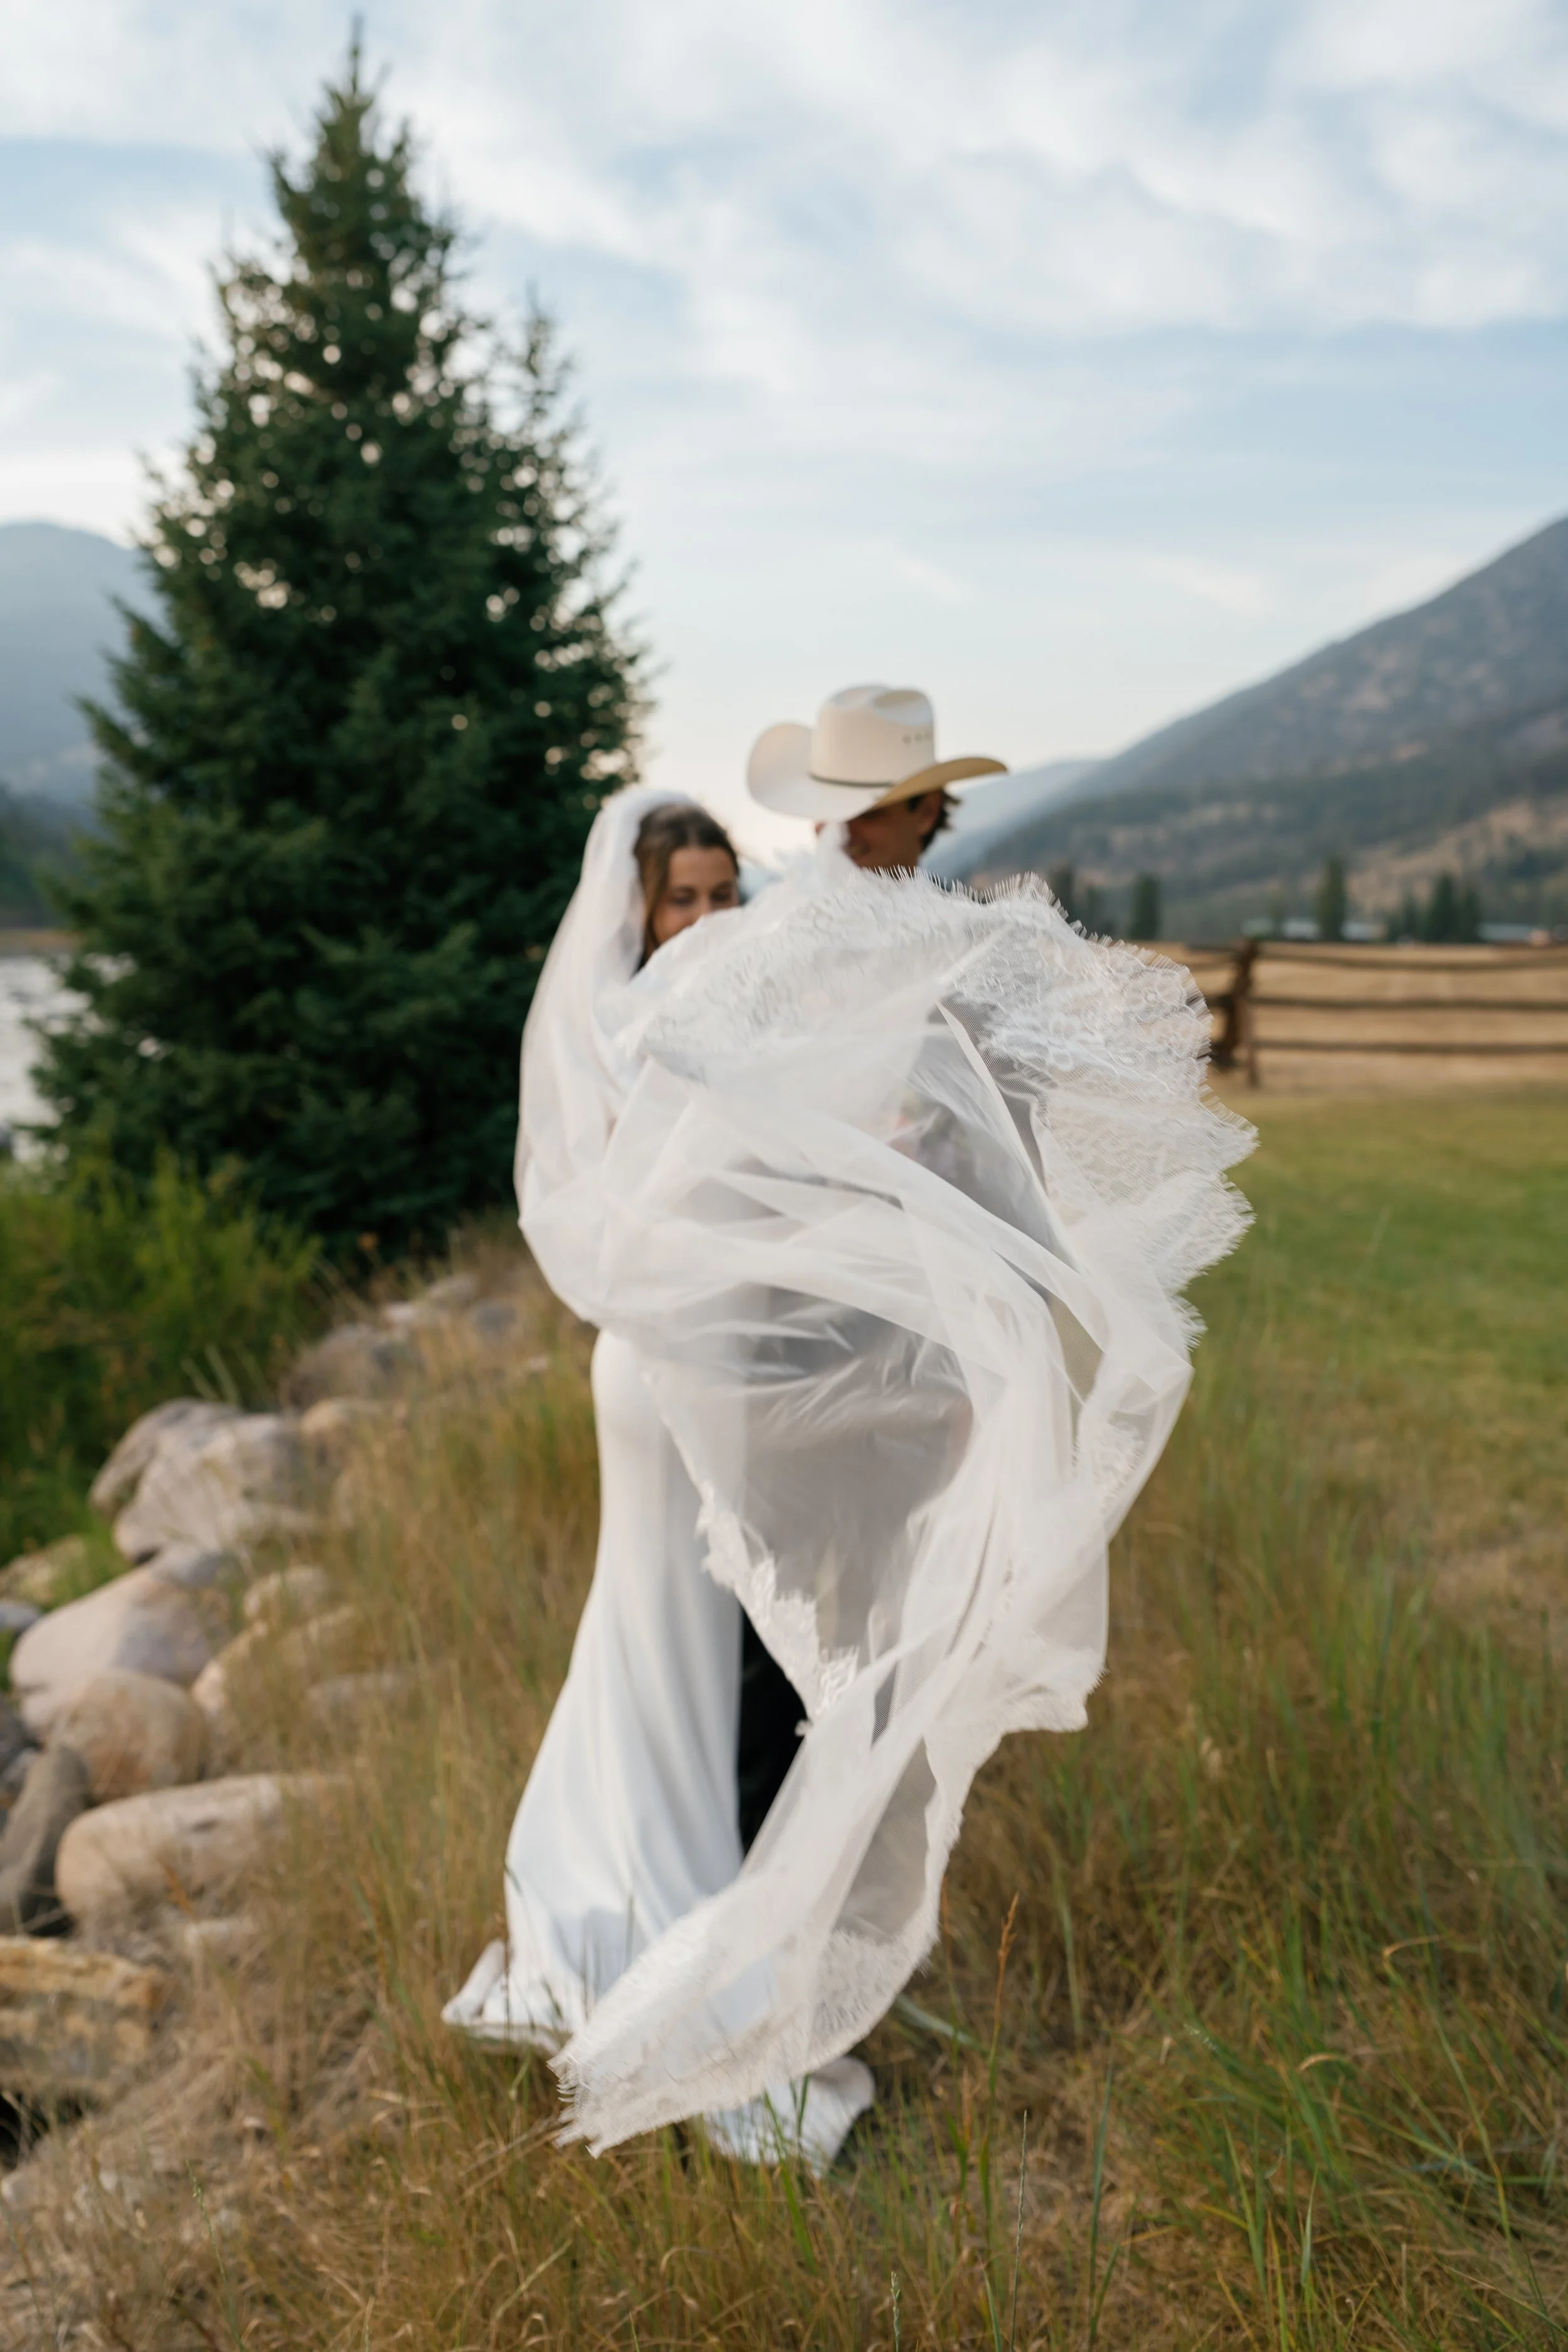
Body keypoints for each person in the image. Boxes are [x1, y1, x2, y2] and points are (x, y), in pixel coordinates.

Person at [450, 691, 1254, 2167]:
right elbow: (728, 1168)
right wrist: (867, 1166)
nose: (934, 827)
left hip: (738, 1365)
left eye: (936, 805)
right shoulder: (788, 956)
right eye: (919, 805)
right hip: (741, 1372)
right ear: (860, 813)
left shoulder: (798, 950)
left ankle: (692, 1940)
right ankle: (744, 1993)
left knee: (723, 1657)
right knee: (788, 1664)